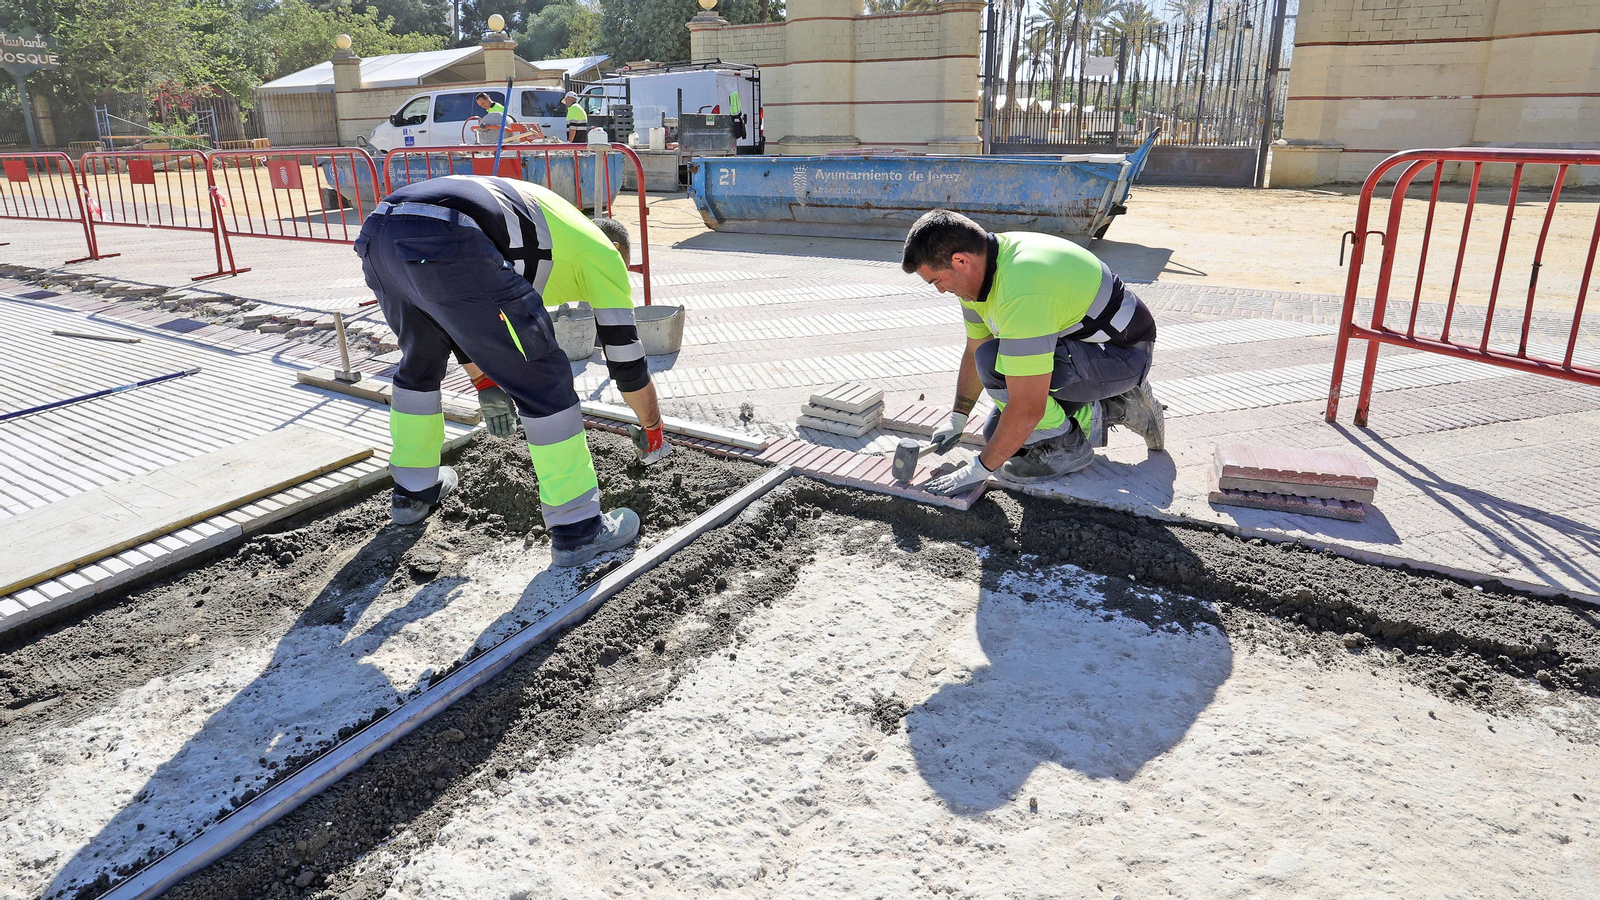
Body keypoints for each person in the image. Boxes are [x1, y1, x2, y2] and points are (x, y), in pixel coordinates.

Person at [354, 174, 667, 566]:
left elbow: (458, 314)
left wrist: (484, 379)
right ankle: (578, 529)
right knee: (546, 379)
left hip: (381, 232)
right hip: (451, 234)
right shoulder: (604, 253)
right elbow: (625, 357)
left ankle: (413, 493)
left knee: (420, 363)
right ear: (618, 247)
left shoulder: (553, 229)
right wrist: (653, 428)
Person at [901, 209, 1166, 496]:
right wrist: (958, 418)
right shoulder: (980, 272)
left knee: (1001, 382)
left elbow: (1028, 408)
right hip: (1080, 348)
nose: (940, 290)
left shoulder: (1022, 287)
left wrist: (978, 469)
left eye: (937, 280)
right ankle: (1107, 406)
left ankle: (1074, 443)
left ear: (961, 261)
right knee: (999, 436)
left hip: (1122, 354)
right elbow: (974, 347)